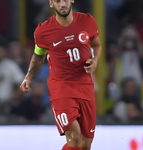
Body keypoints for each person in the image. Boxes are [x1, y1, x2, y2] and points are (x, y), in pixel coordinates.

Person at [20, 1, 101, 150]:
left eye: (65, 0)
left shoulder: (88, 21)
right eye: (57, 1)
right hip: (61, 88)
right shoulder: (43, 31)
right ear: (51, 3)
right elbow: (38, 56)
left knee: (85, 144)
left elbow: (96, 45)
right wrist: (29, 76)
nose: (62, 4)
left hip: (85, 87)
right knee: (74, 137)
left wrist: (95, 60)